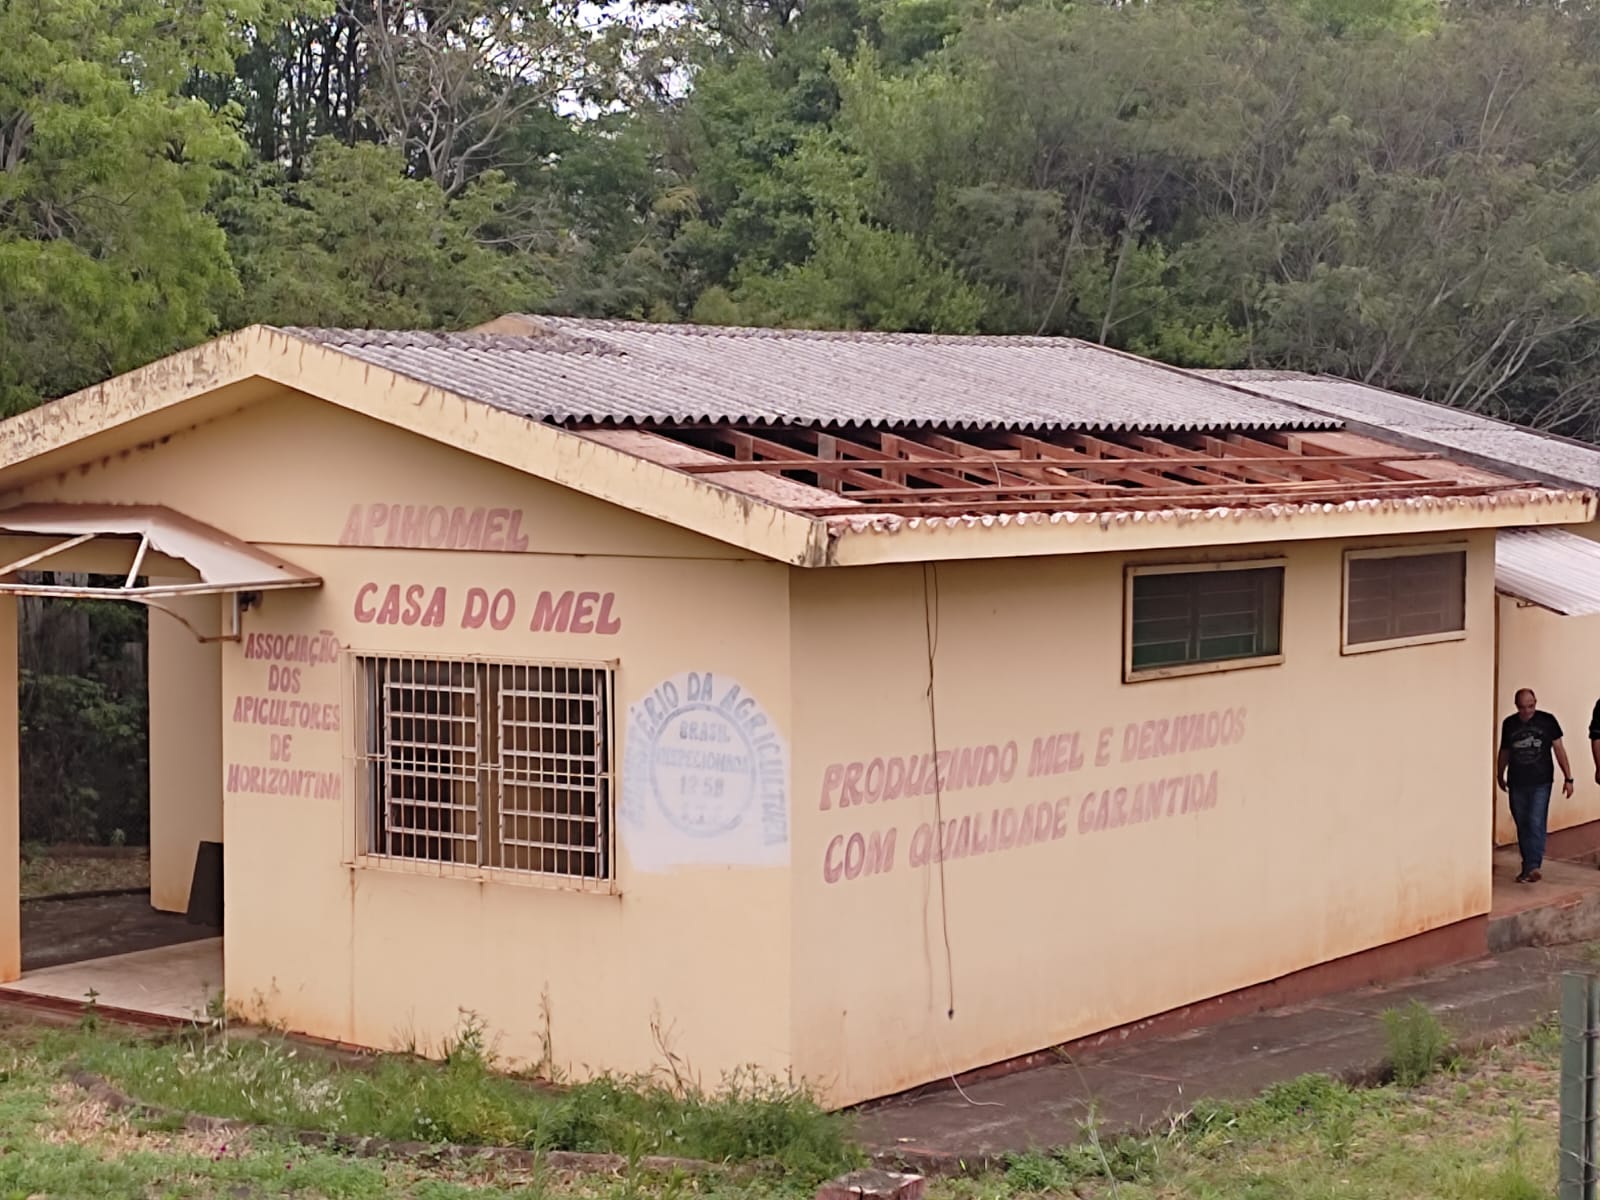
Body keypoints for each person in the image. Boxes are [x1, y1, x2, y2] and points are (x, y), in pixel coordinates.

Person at [1497, 688, 1574, 884]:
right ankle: (1528, 866)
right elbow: (1504, 751)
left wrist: (1568, 777)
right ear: (1516, 706)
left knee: (1535, 820)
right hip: (1517, 782)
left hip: (1541, 781)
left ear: (1535, 702)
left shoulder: (1547, 721)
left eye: (1530, 706)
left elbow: (1559, 749)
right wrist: (1499, 773)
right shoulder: (1509, 724)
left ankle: (1533, 865)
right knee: (1522, 823)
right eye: (1522, 708)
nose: (1527, 711)